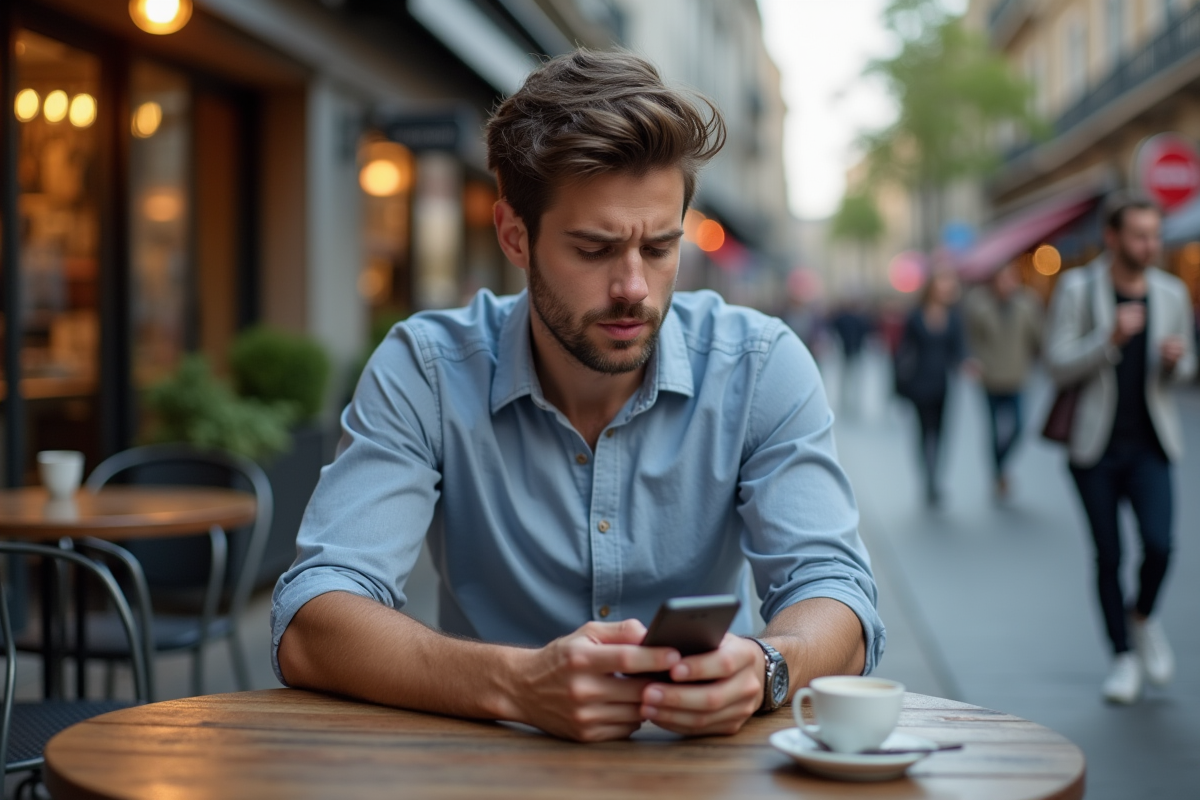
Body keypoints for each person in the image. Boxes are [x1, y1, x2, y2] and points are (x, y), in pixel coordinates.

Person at [272, 50, 884, 743]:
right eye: (594, 250)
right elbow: (312, 621)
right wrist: (513, 684)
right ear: (514, 236)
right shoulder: (429, 369)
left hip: (704, 773)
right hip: (490, 771)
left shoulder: (761, 365)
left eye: (659, 249)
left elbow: (836, 592)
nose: (633, 287)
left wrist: (771, 667)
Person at [1044, 192, 1196, 705]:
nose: (1150, 244)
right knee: (1108, 555)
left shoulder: (1171, 292)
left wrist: (1178, 363)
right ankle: (1122, 657)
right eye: (1139, 235)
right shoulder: (1079, 287)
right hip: (1095, 448)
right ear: (1112, 238)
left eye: (1155, 234)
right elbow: (1057, 363)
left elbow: (1188, 366)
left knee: (1160, 545)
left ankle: (1142, 618)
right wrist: (1108, 338)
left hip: (1153, 444)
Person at [963, 262, 1043, 499]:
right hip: (990, 377)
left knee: (1018, 427)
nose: (1008, 284)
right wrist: (972, 360)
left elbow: (1038, 337)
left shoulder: (1027, 304)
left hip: (1017, 376)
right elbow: (970, 338)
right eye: (1003, 279)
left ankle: (1001, 466)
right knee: (994, 430)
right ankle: (998, 473)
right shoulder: (979, 305)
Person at [894, 269, 965, 507]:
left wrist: (967, 363)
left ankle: (937, 479)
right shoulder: (916, 316)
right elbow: (904, 348)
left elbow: (958, 349)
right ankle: (928, 478)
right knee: (924, 432)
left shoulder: (953, 317)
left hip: (942, 383)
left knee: (942, 432)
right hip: (919, 382)